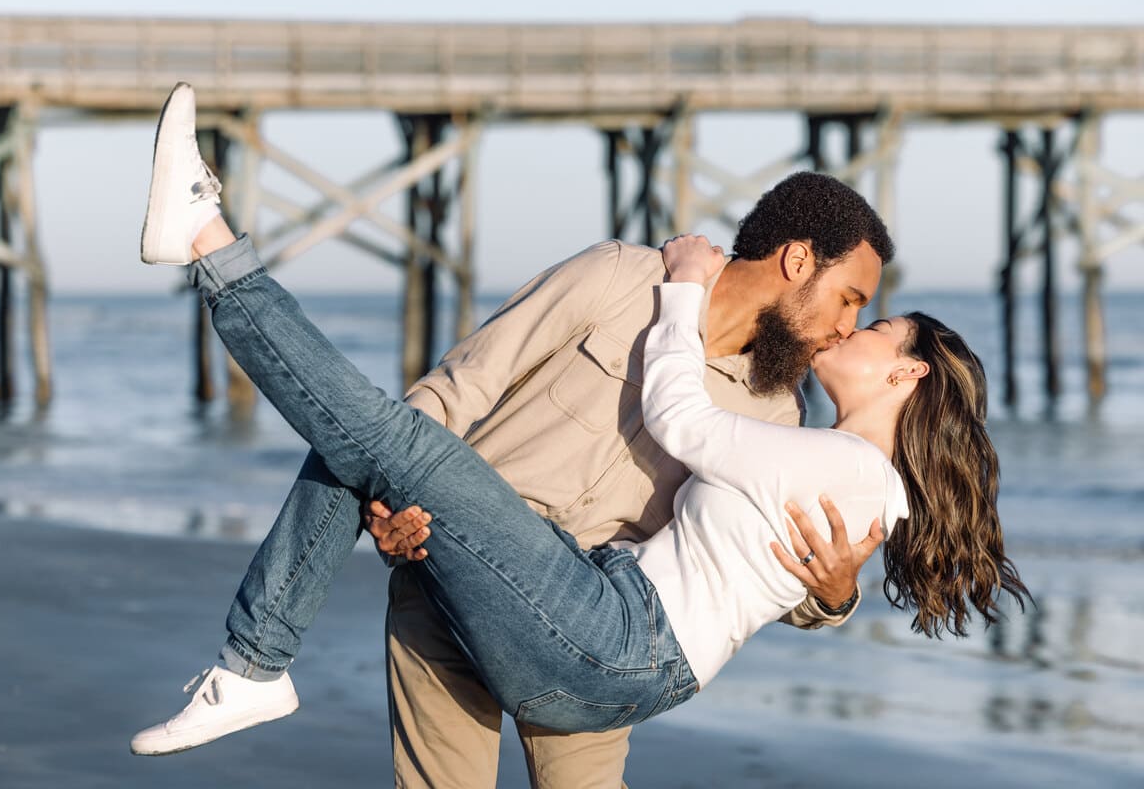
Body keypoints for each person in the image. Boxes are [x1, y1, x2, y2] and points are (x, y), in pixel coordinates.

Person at [133, 84, 903, 782]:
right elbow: (457, 389)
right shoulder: (617, 280)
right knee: (369, 437)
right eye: (848, 299)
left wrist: (834, 597)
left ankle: (254, 662)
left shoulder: (779, 412)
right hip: (449, 563)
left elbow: (755, 572)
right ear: (798, 260)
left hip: (592, 611)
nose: (847, 329)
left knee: (359, 429)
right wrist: (381, 515)